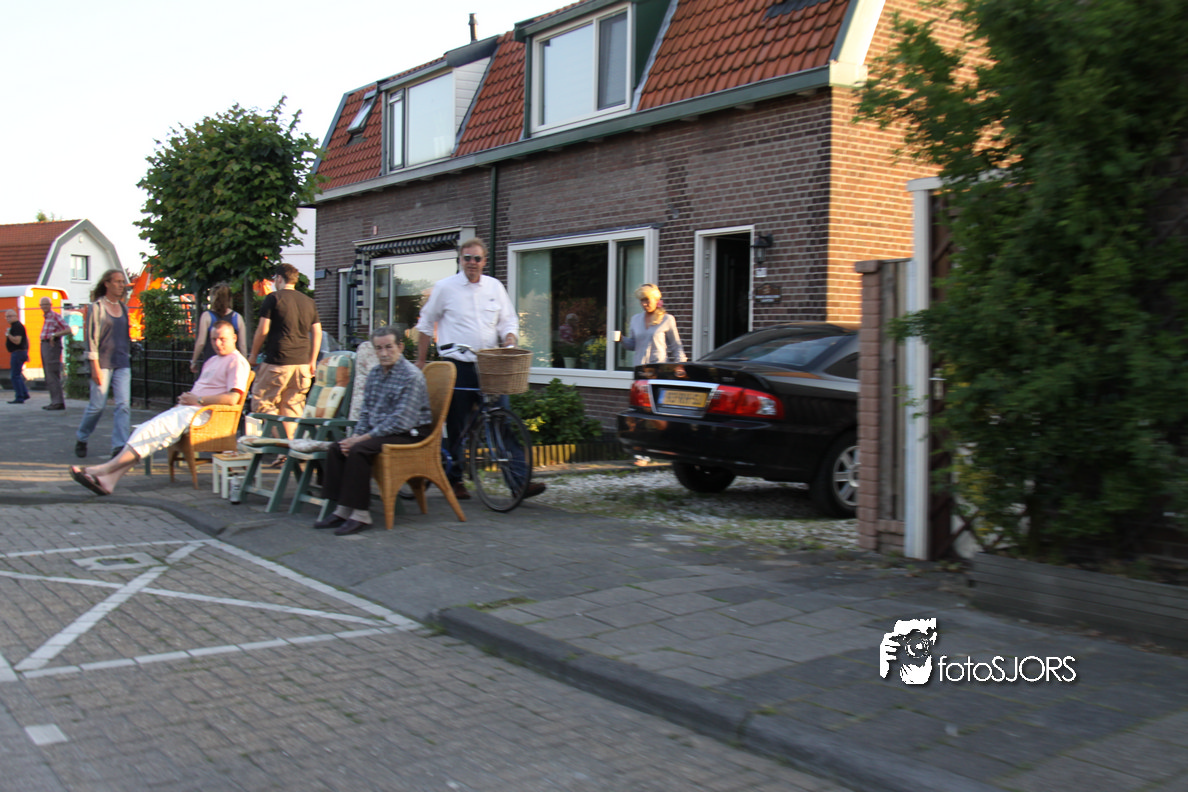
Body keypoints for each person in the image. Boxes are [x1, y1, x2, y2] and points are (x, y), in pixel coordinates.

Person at [414, 237, 545, 501]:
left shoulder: (495, 287)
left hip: (491, 365)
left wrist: (509, 338)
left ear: (484, 261)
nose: (472, 263)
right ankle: (455, 479)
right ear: (460, 260)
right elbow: (426, 324)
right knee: (458, 423)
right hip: (458, 364)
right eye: (467, 258)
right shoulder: (445, 288)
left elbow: (508, 320)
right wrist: (421, 360)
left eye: (477, 258)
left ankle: (519, 483)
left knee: (502, 418)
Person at [69, 321, 250, 496]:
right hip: (190, 409)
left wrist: (198, 399)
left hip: (208, 415)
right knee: (146, 430)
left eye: (222, 339)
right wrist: (186, 399)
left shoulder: (237, 362)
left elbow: (233, 399)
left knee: (153, 431)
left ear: (234, 338)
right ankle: (110, 481)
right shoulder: (212, 361)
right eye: (213, 339)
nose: (217, 343)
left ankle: (105, 468)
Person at [314, 326, 434, 536]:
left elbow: (401, 421)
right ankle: (342, 509)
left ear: (400, 347)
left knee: (359, 450)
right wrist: (354, 436)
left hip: (410, 433)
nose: (384, 353)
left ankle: (361, 514)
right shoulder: (375, 374)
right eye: (379, 348)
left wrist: (361, 440)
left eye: (389, 347)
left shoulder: (411, 376)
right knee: (337, 448)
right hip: (382, 430)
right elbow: (366, 412)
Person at [248, 264, 321, 467]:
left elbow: (263, 329)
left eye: (274, 279)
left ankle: (284, 445)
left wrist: (253, 354)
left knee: (262, 402)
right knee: (291, 405)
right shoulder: (309, 302)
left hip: (278, 361)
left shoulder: (273, 298)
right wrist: (312, 360)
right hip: (302, 364)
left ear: (279, 278)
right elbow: (317, 332)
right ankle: (293, 449)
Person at [75, 269, 132, 458]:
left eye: (123, 282)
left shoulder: (124, 308)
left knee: (123, 405)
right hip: (103, 363)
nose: (121, 285)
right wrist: (94, 366)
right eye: (117, 282)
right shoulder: (97, 307)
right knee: (97, 406)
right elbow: (91, 339)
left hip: (122, 362)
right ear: (107, 283)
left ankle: (119, 446)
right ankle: (82, 437)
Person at [620, 283, 686, 366]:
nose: (644, 304)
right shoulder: (635, 319)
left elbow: (676, 346)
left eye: (647, 300)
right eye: (642, 300)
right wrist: (621, 339)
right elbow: (634, 345)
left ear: (656, 300)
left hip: (658, 368)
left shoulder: (667, 319)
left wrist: (680, 366)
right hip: (640, 367)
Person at [190, 282, 248, 373]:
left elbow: (201, 342)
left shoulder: (207, 316)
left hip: (211, 363)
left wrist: (193, 361)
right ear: (229, 298)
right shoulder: (237, 317)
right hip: (231, 364)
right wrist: (244, 365)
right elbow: (242, 345)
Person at [39, 297, 71, 410]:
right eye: (42, 305)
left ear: (50, 305)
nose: (44, 307)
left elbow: (68, 329)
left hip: (52, 346)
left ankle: (58, 402)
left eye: (46, 304)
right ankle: (54, 401)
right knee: (48, 374)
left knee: (52, 373)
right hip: (44, 345)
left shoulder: (55, 316)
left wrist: (55, 335)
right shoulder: (47, 317)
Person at [5, 309, 29, 404]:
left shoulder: (17, 326)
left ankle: (19, 397)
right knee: (17, 374)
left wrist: (9, 335)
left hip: (18, 352)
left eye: (10, 316)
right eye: (6, 316)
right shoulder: (15, 326)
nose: (8, 318)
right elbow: (26, 340)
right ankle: (24, 393)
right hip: (20, 352)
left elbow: (17, 341)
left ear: (15, 316)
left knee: (15, 375)